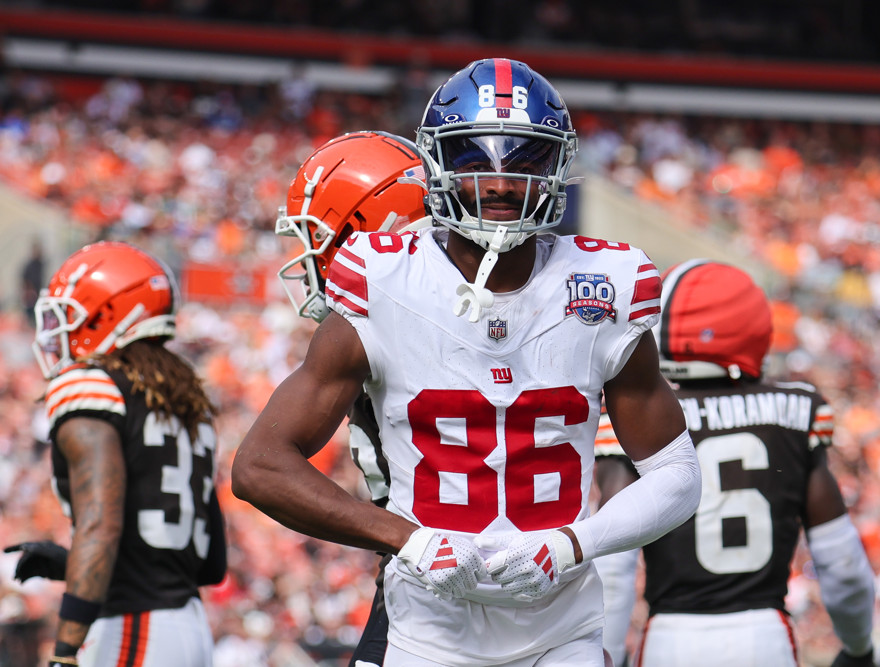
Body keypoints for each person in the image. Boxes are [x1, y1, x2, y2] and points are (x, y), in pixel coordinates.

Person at [232, 57, 701, 667]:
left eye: (525, 161)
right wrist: (415, 543)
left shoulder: (603, 284)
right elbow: (260, 466)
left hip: (562, 635)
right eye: (474, 160)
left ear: (558, 169)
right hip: (427, 633)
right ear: (435, 166)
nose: (501, 184)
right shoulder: (382, 276)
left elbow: (677, 474)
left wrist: (570, 545)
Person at [594, 259, 876, 667]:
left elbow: (613, 566)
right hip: (765, 640)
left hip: (672, 642)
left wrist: (609, 655)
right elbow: (843, 563)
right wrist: (858, 647)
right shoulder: (795, 411)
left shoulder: (637, 420)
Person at [5, 241, 227, 667]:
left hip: (132, 625)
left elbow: (101, 522)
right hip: (191, 628)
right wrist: (72, 564)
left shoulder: (91, 387)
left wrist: (65, 650)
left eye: (70, 313)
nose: (61, 329)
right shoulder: (187, 402)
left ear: (108, 314)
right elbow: (210, 566)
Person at [274, 128, 429, 667]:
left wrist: (407, 538)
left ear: (372, 230)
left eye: (318, 236)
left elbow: (259, 467)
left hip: (426, 594)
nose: (309, 257)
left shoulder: (367, 332)